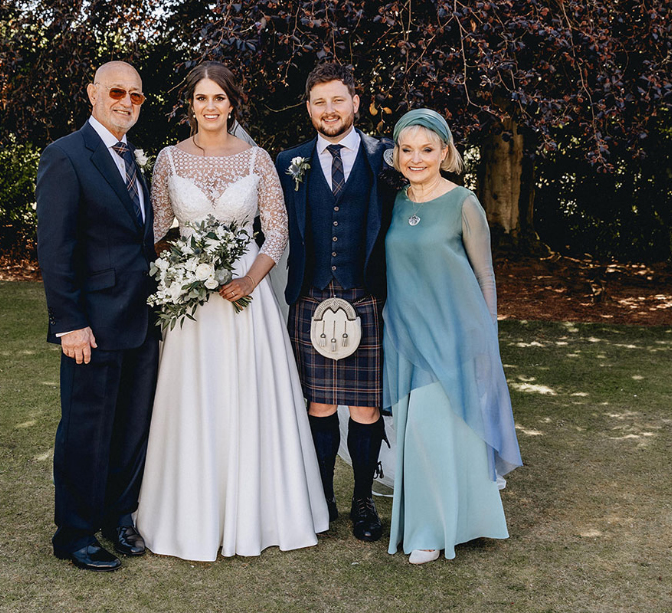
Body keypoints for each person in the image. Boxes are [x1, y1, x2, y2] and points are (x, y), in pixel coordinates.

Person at [135, 62, 328, 562]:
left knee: (248, 395)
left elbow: (277, 230)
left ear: (232, 104)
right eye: (201, 99)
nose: (210, 107)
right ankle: (187, 514)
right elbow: (158, 231)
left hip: (246, 297)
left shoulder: (257, 159)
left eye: (218, 98)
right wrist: (186, 269)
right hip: (193, 303)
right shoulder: (168, 161)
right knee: (194, 398)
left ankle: (258, 513)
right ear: (190, 106)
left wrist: (249, 278)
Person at [382, 108, 522, 564]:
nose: (416, 158)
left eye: (427, 149)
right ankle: (441, 522)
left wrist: (487, 340)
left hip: (458, 337)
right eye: (407, 150)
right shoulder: (397, 201)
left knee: (451, 431)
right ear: (397, 153)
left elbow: (485, 275)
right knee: (420, 436)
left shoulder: (464, 202)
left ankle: (435, 530)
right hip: (407, 337)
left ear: (445, 151)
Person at [36, 61, 159, 571]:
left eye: (136, 95)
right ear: (92, 93)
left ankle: (118, 517)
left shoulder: (134, 161)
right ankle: (76, 533)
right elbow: (55, 247)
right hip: (92, 325)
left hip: (142, 321)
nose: (126, 101)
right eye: (116, 91)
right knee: (87, 430)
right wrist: (69, 322)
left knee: (131, 427)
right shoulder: (65, 155)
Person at [275, 63, 396, 542]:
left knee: (365, 409)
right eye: (319, 101)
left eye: (337, 100)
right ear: (308, 108)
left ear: (355, 103)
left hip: (365, 297)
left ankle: (362, 501)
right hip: (310, 296)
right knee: (320, 405)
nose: (329, 110)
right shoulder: (289, 162)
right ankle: (321, 497)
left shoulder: (384, 156)